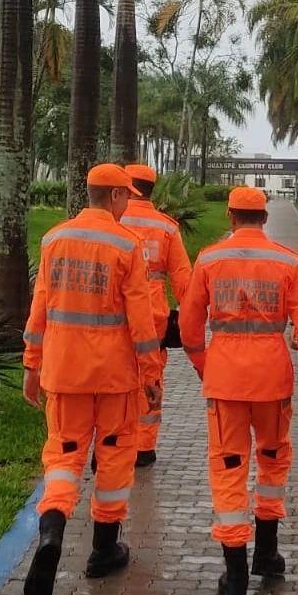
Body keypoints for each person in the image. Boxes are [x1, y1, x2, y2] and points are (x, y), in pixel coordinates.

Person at [22, 164, 163, 595]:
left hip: (64, 374)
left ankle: (52, 532)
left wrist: (31, 364)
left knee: (63, 455)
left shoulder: (53, 240)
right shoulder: (128, 245)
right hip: (115, 377)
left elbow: (40, 306)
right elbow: (141, 319)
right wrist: (152, 374)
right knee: (115, 457)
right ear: (118, 196)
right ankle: (103, 549)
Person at [180, 186, 298, 595]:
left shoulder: (208, 259)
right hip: (272, 380)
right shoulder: (286, 260)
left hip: (225, 378)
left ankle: (236, 571)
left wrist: (205, 365)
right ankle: (267, 551)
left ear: (229, 216)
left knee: (228, 467)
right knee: (273, 460)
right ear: (263, 218)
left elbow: (189, 326)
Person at [121, 163, 192, 467]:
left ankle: (114, 442)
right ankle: (144, 447)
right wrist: (190, 321)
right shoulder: (166, 228)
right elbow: (183, 280)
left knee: (117, 379)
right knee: (150, 378)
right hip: (153, 318)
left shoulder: (114, 218)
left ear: (127, 187)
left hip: (115, 314)